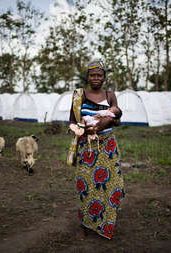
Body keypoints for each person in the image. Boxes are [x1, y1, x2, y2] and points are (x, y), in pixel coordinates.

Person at [69, 60, 125, 240]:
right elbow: (71, 121)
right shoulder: (79, 95)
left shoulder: (110, 95)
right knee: (85, 185)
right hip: (87, 147)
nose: (95, 78)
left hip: (108, 146)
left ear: (104, 77)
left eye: (99, 75)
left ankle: (106, 223)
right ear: (87, 77)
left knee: (110, 184)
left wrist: (106, 122)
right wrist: (83, 129)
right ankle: (87, 225)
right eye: (92, 75)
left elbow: (118, 120)